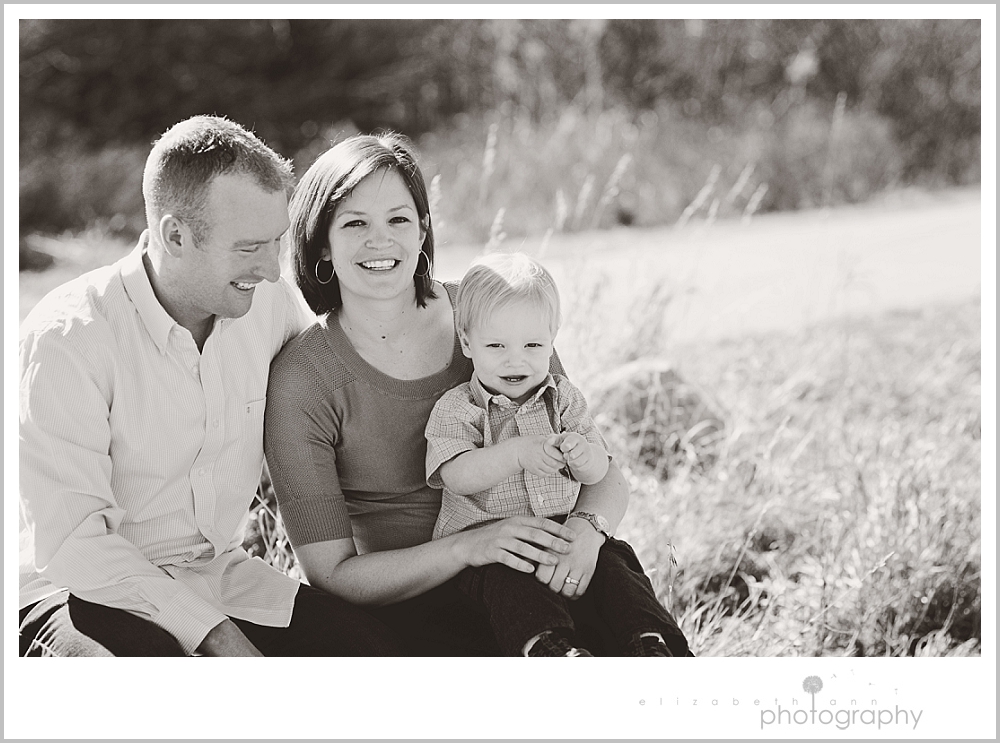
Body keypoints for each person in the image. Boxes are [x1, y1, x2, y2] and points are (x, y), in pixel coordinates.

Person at [264, 132, 691, 656]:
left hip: (541, 564)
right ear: (322, 243)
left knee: (617, 581)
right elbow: (332, 574)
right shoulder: (304, 379)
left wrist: (586, 532)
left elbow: (601, 472)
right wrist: (470, 547)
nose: (381, 241)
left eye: (399, 219)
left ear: (423, 229)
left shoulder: (489, 313)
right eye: (355, 224)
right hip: (418, 607)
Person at [18, 115, 399, 657]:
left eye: (276, 242)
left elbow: (342, 400)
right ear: (175, 235)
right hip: (77, 593)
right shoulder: (69, 338)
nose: (271, 270)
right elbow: (73, 546)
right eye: (249, 248)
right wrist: (215, 636)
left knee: (374, 654)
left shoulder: (268, 305)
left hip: (220, 577)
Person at [425, 252, 690, 656]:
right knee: (510, 582)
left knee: (616, 562)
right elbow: (456, 475)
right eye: (496, 345)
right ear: (466, 342)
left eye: (533, 345)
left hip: (564, 535)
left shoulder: (563, 400)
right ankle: (549, 649)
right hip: (491, 548)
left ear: (552, 341)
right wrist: (515, 453)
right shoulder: (460, 408)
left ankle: (650, 643)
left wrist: (584, 457)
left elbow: (600, 470)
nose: (516, 359)